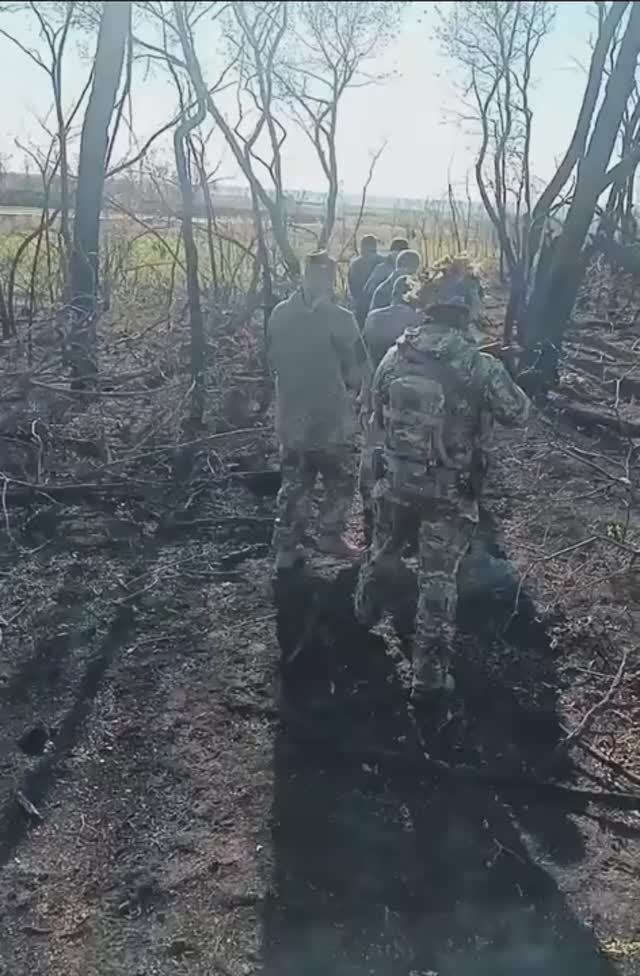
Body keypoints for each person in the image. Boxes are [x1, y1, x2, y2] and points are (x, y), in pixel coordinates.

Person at [354, 295, 530, 706]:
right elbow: (520, 413)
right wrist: (508, 369)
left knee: (383, 551)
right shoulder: (480, 365)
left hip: (396, 479)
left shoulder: (395, 355)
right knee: (436, 580)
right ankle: (429, 679)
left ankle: (362, 613)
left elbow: (376, 408)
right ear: (465, 316)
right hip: (448, 492)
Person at [267, 251, 364, 571]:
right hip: (329, 419)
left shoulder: (279, 313)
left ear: (303, 276)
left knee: (294, 485)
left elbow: (272, 361)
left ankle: (286, 549)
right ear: (331, 279)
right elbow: (356, 371)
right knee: (341, 479)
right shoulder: (341, 318)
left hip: (291, 418)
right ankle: (330, 535)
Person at [358, 275, 420, 544]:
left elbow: (363, 358)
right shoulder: (417, 322)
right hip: (408, 405)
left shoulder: (373, 318)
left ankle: (371, 530)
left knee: (373, 464)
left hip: (375, 395)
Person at [361, 237, 409, 319]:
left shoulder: (409, 271)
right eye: (399, 252)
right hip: (382, 313)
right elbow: (368, 290)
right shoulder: (381, 269)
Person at [348, 235, 385, 327]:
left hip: (361, 304)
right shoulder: (383, 261)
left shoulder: (355, 264)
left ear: (362, 246)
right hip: (380, 305)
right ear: (374, 246)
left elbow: (351, 285)